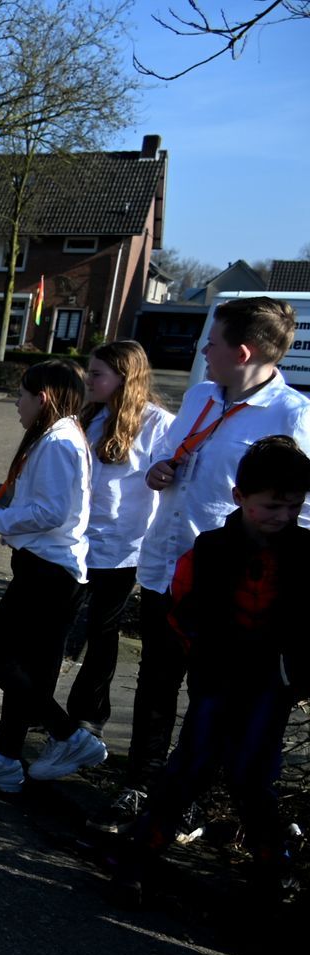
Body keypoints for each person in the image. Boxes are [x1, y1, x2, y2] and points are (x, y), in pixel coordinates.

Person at [96, 297, 310, 832]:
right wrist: (159, 469)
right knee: (155, 680)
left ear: (243, 353)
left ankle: (186, 798)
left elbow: (299, 513)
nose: (203, 351)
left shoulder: (292, 416)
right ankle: (141, 784)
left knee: (209, 693)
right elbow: (167, 454)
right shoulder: (199, 397)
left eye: (211, 343)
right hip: (166, 564)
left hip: (224, 584)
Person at [111, 436, 310, 902]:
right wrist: (202, 652)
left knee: (252, 777)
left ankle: (271, 868)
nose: (283, 515)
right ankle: (139, 858)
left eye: (294, 506)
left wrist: (294, 673)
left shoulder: (306, 554)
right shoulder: (211, 549)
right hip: (217, 679)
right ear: (240, 496)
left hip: (272, 686)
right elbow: (183, 607)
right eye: (273, 505)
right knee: (188, 769)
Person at [0, 360, 103, 792]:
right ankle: (5, 757)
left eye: (21, 395)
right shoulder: (60, 437)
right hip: (49, 568)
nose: (17, 403)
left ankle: (69, 736)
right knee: (26, 671)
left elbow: (53, 513)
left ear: (43, 398)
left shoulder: (59, 442)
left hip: (48, 572)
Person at [63, 341, 176, 738]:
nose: (88, 380)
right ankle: (41, 708)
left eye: (97, 374)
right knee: (58, 626)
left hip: (121, 549)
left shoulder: (159, 424)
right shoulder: (89, 415)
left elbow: (169, 481)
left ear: (124, 378)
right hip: (75, 541)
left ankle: (89, 715)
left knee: (102, 631)